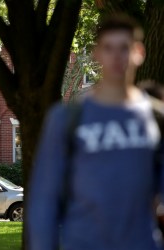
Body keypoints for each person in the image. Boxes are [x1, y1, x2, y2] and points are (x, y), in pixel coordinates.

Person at [26, 14, 164, 250]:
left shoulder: (156, 118)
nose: (117, 57)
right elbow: (44, 202)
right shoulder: (65, 119)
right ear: (96, 53)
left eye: (125, 48)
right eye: (108, 48)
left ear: (139, 53)